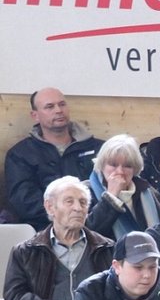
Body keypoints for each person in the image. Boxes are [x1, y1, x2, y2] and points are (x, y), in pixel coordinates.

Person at [3, 87, 103, 227]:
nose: (58, 110)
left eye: (62, 104)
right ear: (35, 116)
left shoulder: (99, 149)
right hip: (43, 232)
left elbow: (107, 191)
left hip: (96, 228)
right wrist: (64, 216)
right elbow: (24, 201)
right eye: (49, 107)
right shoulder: (20, 154)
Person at [87, 134, 160, 239]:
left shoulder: (146, 190)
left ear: (135, 169)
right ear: (102, 165)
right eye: (113, 164)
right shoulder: (86, 191)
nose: (120, 171)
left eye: (127, 166)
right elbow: (89, 234)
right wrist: (111, 197)